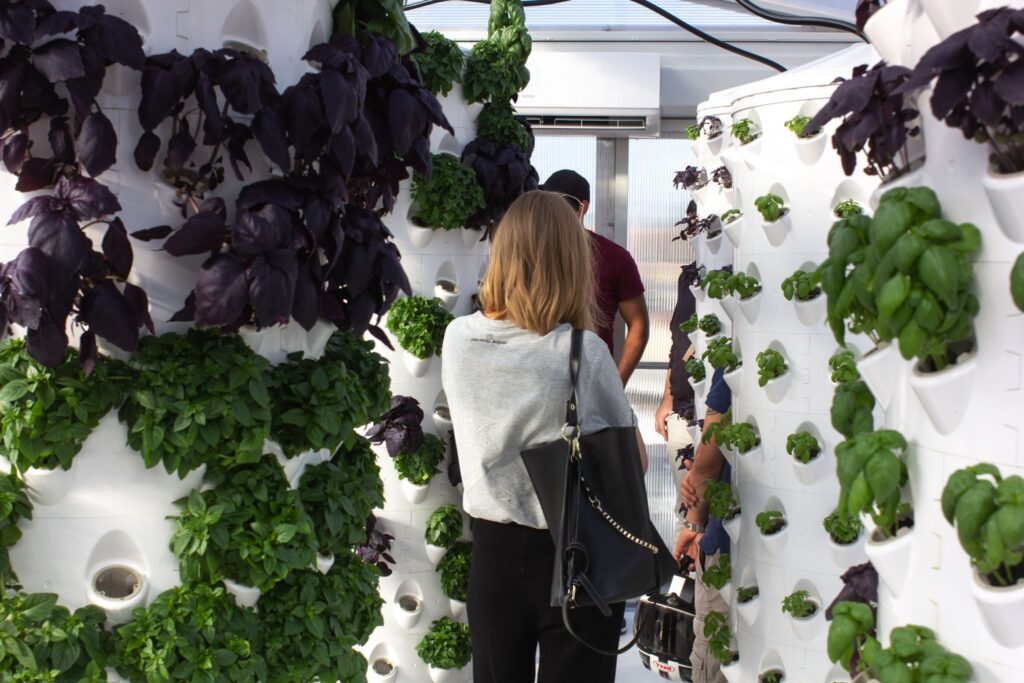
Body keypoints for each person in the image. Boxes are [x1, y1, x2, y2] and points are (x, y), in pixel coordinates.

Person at [442, 191, 648, 683]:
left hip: (493, 556)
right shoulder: (583, 351)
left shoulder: (459, 340)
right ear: (571, 261)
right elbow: (633, 462)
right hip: (580, 554)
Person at [540, 169, 649, 385]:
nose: (551, 211)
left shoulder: (615, 257)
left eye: (560, 202)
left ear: (582, 207)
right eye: (547, 202)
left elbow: (638, 324)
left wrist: (617, 385)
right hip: (539, 378)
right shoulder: (533, 253)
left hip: (592, 381)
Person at [673, 367, 730, 683]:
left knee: (716, 657)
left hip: (732, 545)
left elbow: (709, 458)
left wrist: (694, 525)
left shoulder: (747, 345)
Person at [655, 262, 697, 538]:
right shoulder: (689, 276)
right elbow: (678, 339)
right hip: (681, 407)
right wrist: (666, 399)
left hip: (709, 410)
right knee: (684, 504)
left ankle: (703, 575)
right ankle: (686, 575)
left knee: (701, 501)